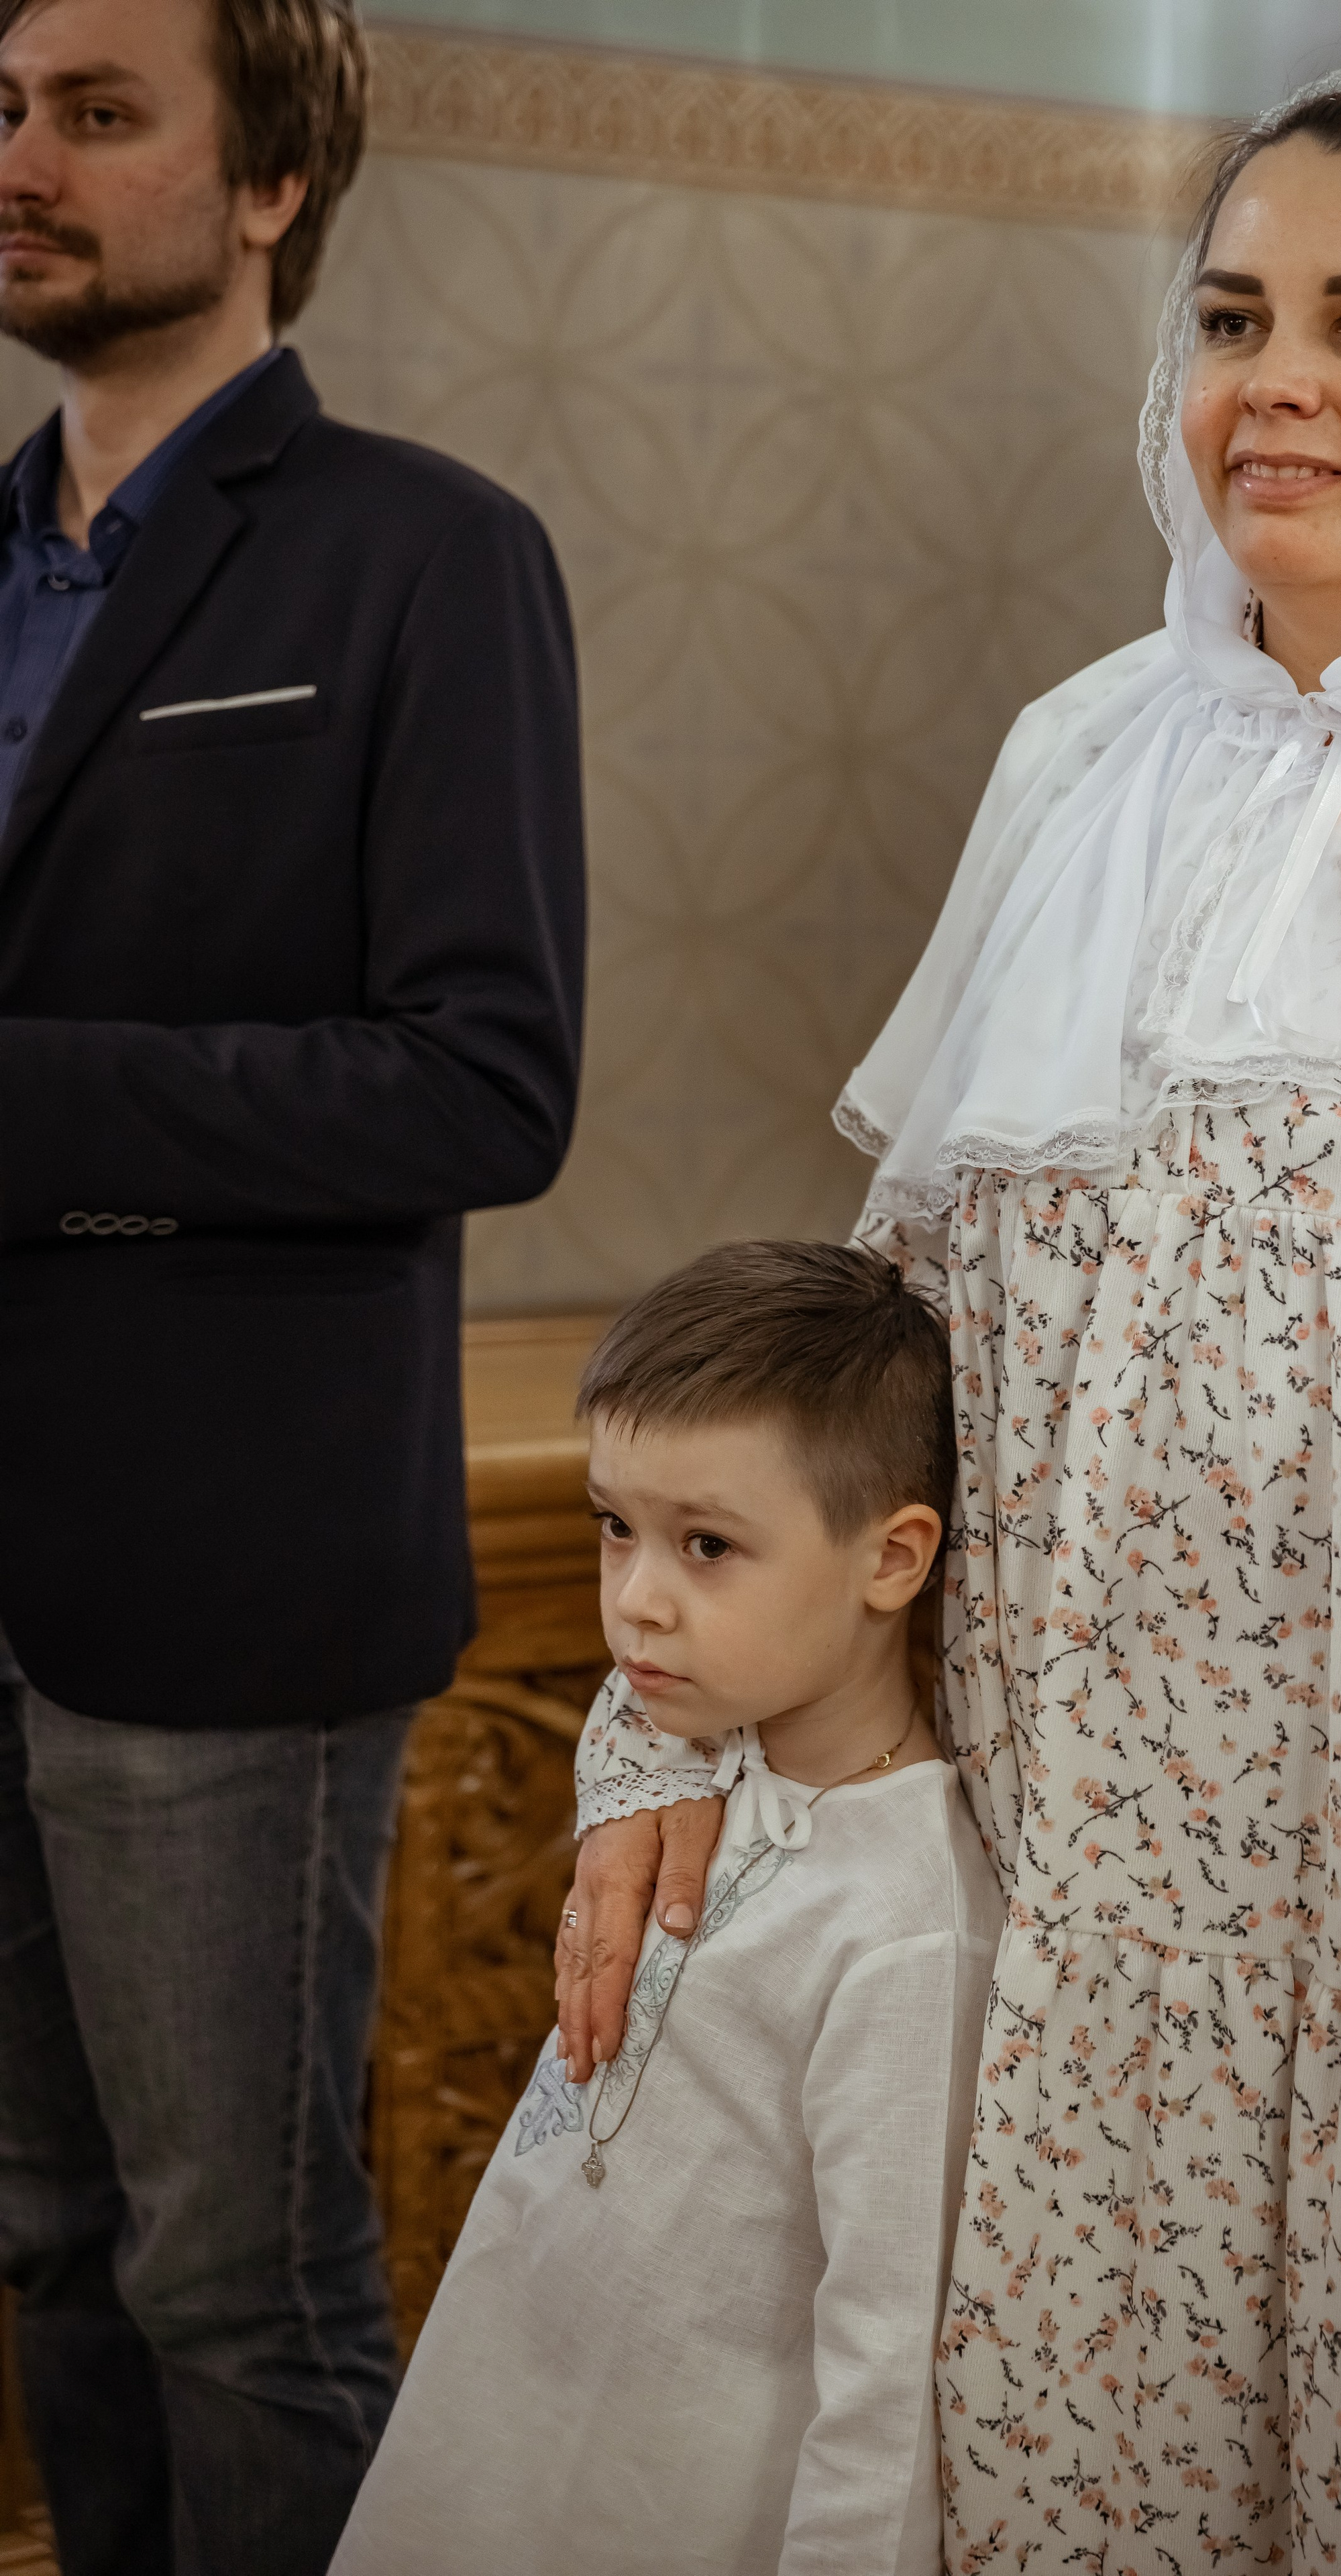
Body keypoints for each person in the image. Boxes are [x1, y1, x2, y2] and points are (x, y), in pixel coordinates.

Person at [559, 61, 1341, 2570]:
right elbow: (883, 1353)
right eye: (1230, 315)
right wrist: (656, 1728)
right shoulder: (1084, 758)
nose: (1275, 382)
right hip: (1110, 1940)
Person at [0, 0, 583, 2568]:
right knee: (43, 2249)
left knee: (245, 2289)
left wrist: (37, 1113)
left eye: (98, 115)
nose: (24, 159)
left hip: (226, 1574)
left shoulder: (426, 553)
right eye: (5, 109)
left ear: (269, 183)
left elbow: (483, 1088)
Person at [329, 1242, 1004, 2576]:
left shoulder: (909, 1929)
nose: (635, 1598)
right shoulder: (698, 1767)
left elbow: (881, 2386)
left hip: (684, 2510)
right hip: (501, 2431)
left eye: (707, 1545)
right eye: (614, 1526)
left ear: (890, 1557)